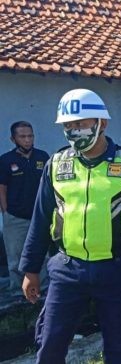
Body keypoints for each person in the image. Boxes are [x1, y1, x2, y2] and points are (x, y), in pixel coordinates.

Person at [19, 89, 121, 363]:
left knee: (119, 348)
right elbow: (40, 219)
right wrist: (30, 269)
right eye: (68, 126)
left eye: (81, 123)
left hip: (117, 270)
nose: (75, 131)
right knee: (49, 344)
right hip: (66, 270)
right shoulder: (56, 165)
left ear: (102, 123)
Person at [0, 121, 49, 293]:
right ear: (13, 139)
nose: (27, 140)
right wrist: (6, 212)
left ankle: (42, 290)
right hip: (15, 217)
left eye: (30, 136)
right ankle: (18, 292)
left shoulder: (43, 157)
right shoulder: (6, 160)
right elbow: (2, 189)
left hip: (40, 216)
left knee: (42, 254)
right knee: (15, 257)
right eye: (22, 136)